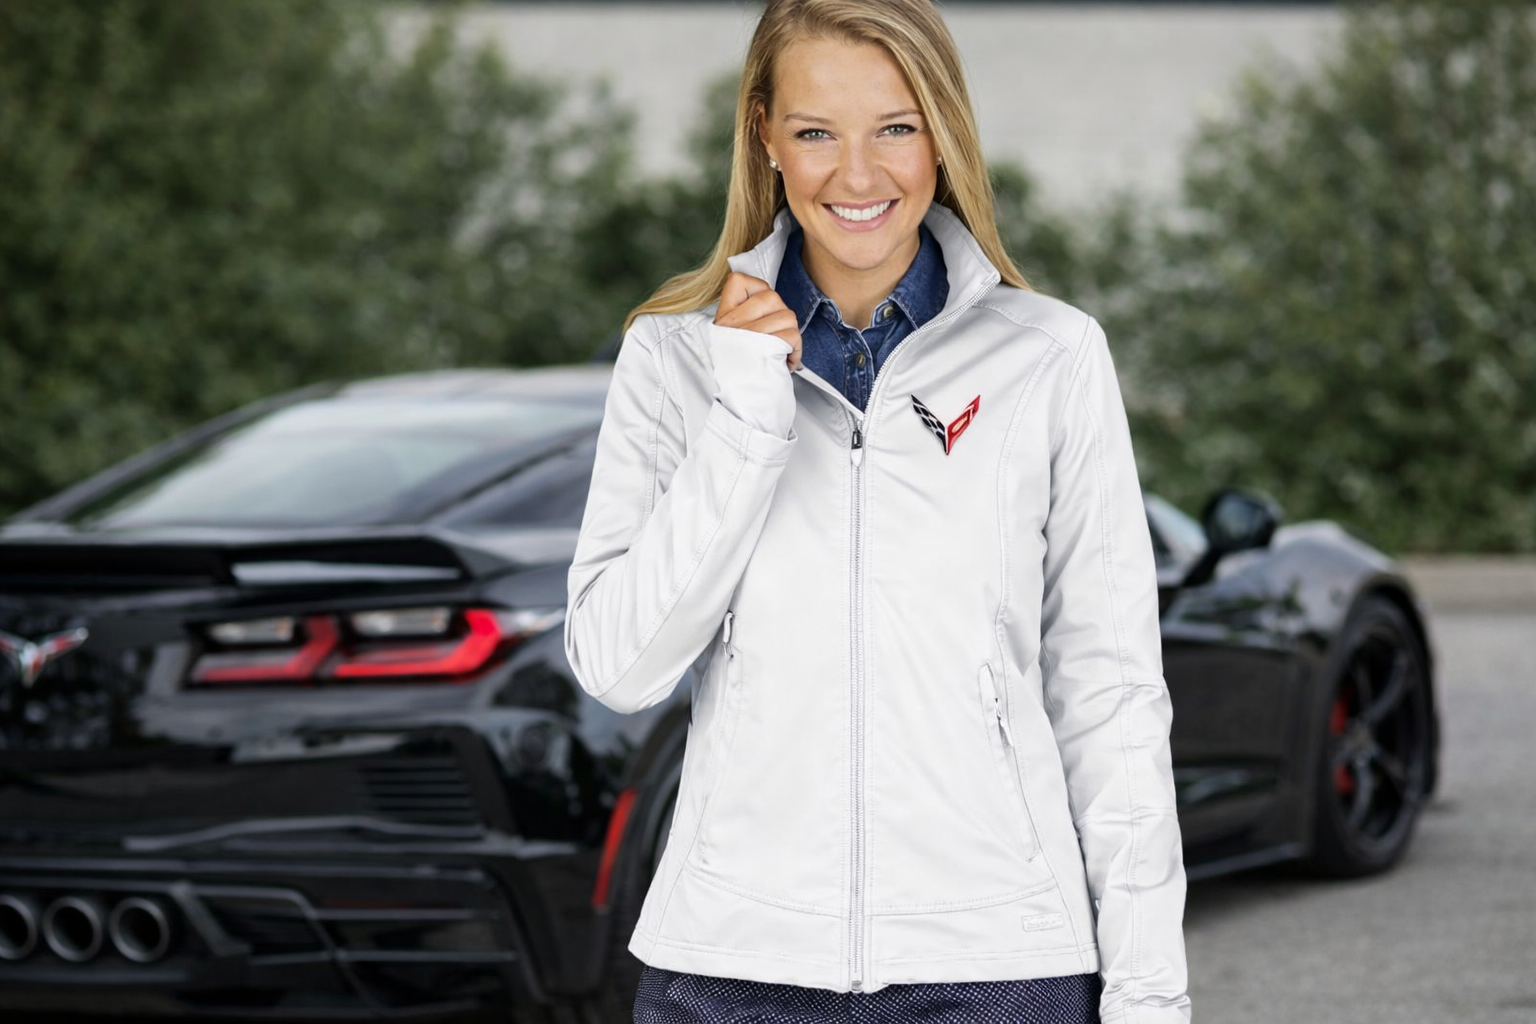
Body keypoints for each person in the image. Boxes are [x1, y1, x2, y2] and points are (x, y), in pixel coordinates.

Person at [563, 1, 1192, 1021]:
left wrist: (1150, 994)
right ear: (764, 134)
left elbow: (1112, 696)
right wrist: (746, 419)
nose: (858, 176)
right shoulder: (673, 360)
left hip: (998, 968)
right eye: (817, 132)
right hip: (729, 967)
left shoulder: (1050, 356)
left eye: (895, 127)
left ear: (944, 134)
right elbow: (619, 667)